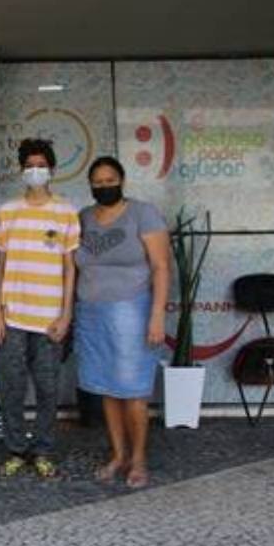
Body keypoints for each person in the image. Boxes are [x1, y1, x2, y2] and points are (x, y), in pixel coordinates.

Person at [74, 156, 169, 489]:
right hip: (90, 311)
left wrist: (157, 314)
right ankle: (119, 454)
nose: (104, 186)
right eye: (97, 182)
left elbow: (161, 267)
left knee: (133, 390)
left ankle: (139, 458)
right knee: (106, 389)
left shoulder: (143, 213)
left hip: (132, 310)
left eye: (109, 180)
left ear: (122, 180)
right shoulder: (84, 217)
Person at [0, 139, 80, 479]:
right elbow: (0, 266)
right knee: (11, 387)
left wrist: (66, 314)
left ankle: (42, 449)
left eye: (41, 165)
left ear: (53, 170)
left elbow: (71, 267)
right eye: (29, 165)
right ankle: (14, 449)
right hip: (13, 317)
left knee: (47, 388)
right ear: (20, 170)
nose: (35, 171)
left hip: (49, 321)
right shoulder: (7, 211)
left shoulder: (66, 211)